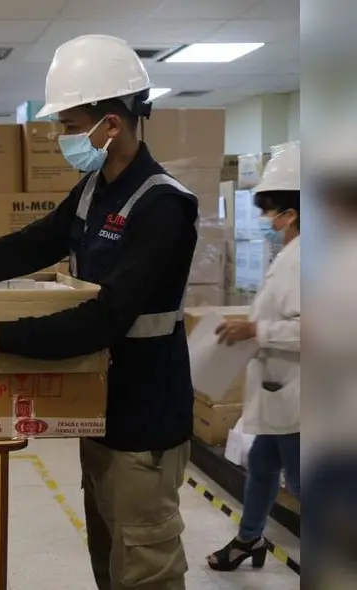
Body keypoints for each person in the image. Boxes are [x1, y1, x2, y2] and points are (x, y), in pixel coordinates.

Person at [0, 34, 198, 589]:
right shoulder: (93, 189)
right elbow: (26, 246)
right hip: (102, 410)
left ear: (112, 124)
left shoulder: (163, 206)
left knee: (145, 569)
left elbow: (105, 318)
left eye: (71, 125)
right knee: (110, 560)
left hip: (146, 421)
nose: (61, 138)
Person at [206, 142, 301, 571]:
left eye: (270, 210)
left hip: (306, 400)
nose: (266, 219)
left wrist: (257, 330)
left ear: (292, 211)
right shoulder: (291, 254)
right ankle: (249, 539)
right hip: (280, 395)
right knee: (262, 464)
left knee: (305, 485)